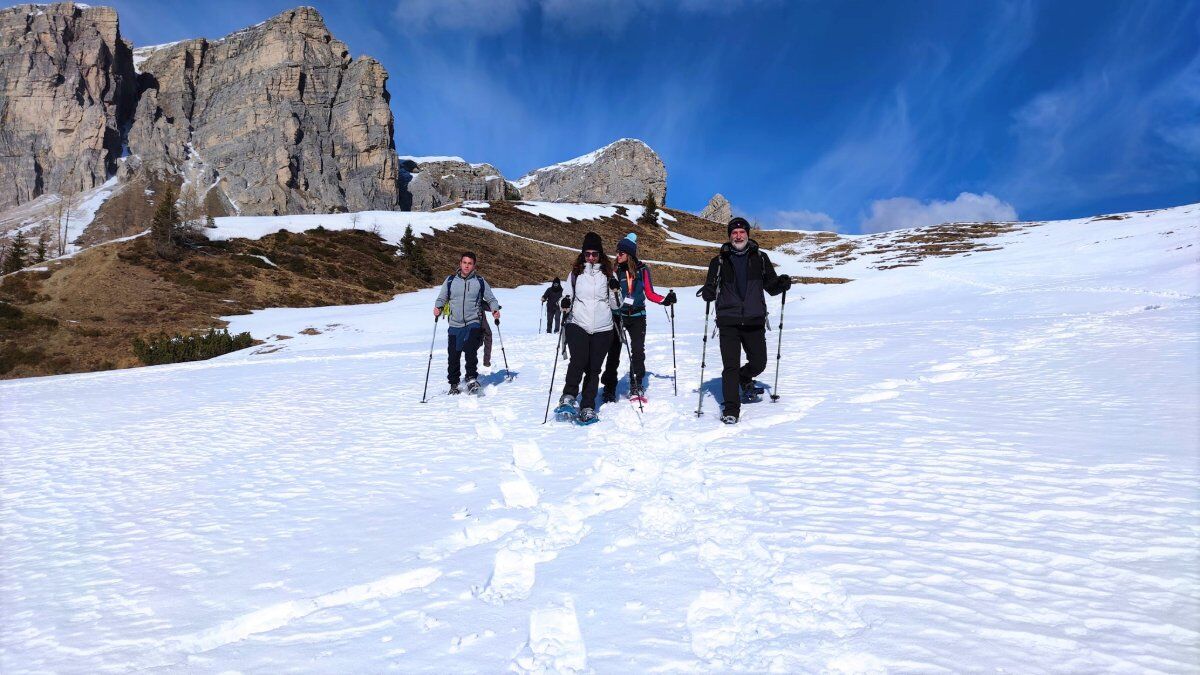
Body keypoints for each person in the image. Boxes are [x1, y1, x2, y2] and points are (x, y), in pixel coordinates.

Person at [698, 217, 791, 424]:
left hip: (754, 319)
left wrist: (781, 284)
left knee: (759, 362)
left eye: (741, 232)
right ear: (729, 236)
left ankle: (745, 376)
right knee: (730, 366)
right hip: (728, 320)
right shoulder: (719, 261)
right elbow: (710, 289)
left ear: (747, 234)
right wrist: (708, 292)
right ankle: (731, 409)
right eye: (734, 233)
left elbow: (771, 287)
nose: (738, 236)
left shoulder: (760, 258)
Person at [601, 233, 676, 402]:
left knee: (637, 351)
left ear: (630, 254)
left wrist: (665, 300)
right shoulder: (613, 271)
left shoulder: (642, 270)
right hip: (617, 316)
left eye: (621, 253)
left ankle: (636, 384)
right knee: (613, 351)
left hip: (637, 316)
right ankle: (609, 386)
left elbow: (649, 293)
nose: (617, 255)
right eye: (617, 252)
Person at [556, 232, 619, 424]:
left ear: (600, 254)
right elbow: (565, 297)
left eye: (594, 254)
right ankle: (568, 397)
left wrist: (616, 290)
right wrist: (564, 302)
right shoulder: (575, 274)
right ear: (583, 254)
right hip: (578, 322)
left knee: (594, 368)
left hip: (603, 327)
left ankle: (588, 406)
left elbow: (616, 305)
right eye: (587, 254)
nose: (591, 257)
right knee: (579, 360)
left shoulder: (609, 274)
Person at [434, 252, 500, 394]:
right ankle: (454, 383)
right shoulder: (451, 280)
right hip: (455, 324)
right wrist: (438, 307)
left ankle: (471, 378)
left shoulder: (480, 281)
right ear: (460, 263)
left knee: (471, 350)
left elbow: (491, 299)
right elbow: (442, 297)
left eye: (470, 263)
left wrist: (495, 309)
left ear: (474, 265)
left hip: (473, 322)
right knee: (453, 355)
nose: (467, 266)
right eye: (464, 262)